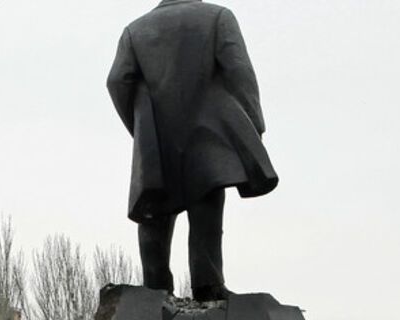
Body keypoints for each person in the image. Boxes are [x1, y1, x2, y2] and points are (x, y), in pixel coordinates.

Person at [107, 0, 278, 302]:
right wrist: (254, 122)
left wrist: (139, 125)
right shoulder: (217, 17)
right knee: (206, 207)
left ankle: (155, 290)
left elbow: (118, 81)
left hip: (155, 138)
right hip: (207, 135)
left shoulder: (135, 31)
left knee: (154, 209)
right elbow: (239, 72)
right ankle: (208, 283)